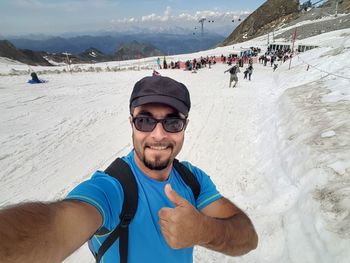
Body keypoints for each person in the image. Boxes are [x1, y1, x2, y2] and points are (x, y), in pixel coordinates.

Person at [0, 76, 258, 263]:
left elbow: (247, 238)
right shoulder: (112, 189)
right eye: (145, 121)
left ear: (185, 126)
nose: (158, 135)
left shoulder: (193, 180)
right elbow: (56, 226)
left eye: (172, 122)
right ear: (131, 123)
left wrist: (204, 230)